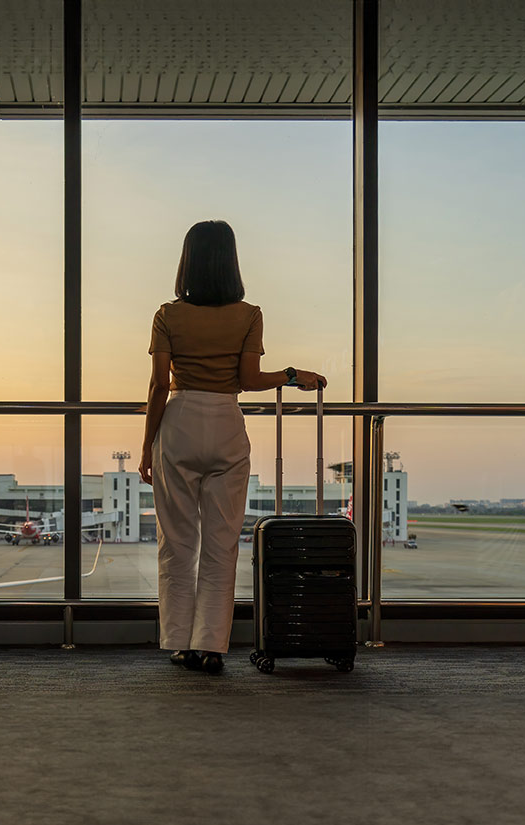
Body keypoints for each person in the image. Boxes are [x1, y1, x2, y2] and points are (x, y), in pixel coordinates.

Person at [138, 221, 326, 674]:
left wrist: (147, 447)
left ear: (187, 260)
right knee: (222, 544)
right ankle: (210, 647)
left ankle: (178, 642)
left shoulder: (167, 314)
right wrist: (293, 375)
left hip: (179, 423)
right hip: (225, 421)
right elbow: (249, 381)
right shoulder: (248, 315)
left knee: (177, 543)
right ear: (231, 260)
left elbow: (158, 386)